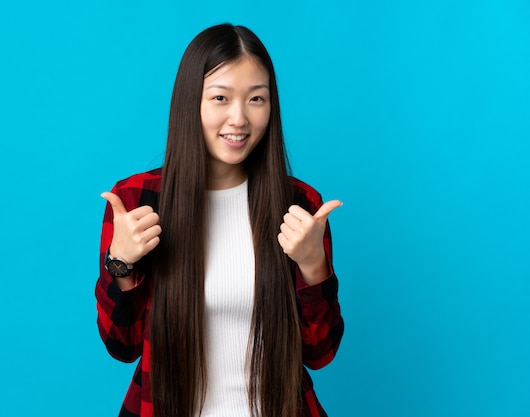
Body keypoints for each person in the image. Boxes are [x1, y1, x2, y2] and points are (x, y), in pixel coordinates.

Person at [95, 23, 344, 417]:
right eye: (220, 97)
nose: (239, 118)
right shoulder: (136, 201)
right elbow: (121, 346)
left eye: (256, 99)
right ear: (190, 101)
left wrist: (314, 266)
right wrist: (121, 263)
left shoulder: (300, 204)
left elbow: (320, 353)